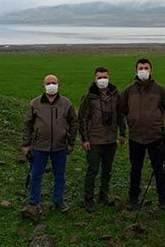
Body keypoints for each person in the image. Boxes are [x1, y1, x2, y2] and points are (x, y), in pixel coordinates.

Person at [119, 58, 165, 210]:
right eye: (141, 68)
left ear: (151, 70)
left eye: (146, 67)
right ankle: (133, 198)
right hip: (135, 137)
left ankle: (164, 199)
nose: (143, 70)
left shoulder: (160, 90)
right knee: (135, 169)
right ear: (136, 70)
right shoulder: (128, 91)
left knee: (159, 169)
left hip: (155, 137)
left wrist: (156, 121)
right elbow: (122, 109)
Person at [22, 74, 77, 214]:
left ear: (59, 85)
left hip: (60, 146)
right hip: (39, 146)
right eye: (48, 83)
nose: (51, 85)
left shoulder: (66, 103)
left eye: (54, 82)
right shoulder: (35, 103)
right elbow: (27, 124)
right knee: (36, 175)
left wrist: (71, 141)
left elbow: (73, 123)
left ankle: (58, 200)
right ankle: (34, 202)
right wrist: (26, 144)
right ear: (44, 86)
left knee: (60, 175)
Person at [78, 66, 126, 213]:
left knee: (107, 170)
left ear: (109, 77)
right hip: (94, 140)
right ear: (95, 79)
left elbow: (120, 115)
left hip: (110, 140)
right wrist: (85, 139)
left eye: (105, 77)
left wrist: (122, 133)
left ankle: (103, 196)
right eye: (99, 77)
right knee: (92, 170)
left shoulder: (115, 94)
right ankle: (89, 199)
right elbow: (82, 119)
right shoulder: (89, 97)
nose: (102, 80)